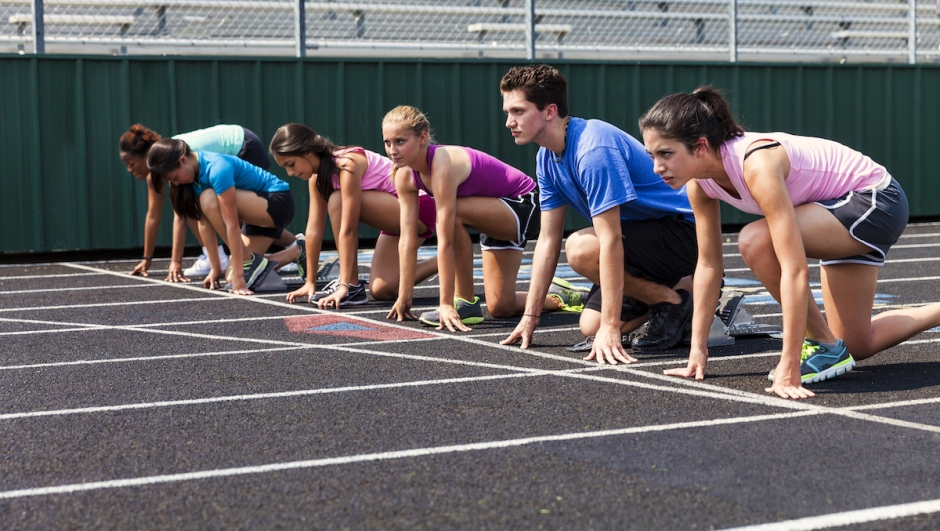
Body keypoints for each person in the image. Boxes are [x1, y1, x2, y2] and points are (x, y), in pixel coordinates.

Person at [639, 86, 940, 400]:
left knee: (756, 241)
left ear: (700, 147)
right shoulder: (700, 185)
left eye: (666, 154)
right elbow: (708, 265)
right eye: (652, 155)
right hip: (832, 211)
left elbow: (794, 269)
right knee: (857, 344)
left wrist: (790, 362)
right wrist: (697, 350)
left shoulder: (756, 165)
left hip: (875, 201)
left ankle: (823, 345)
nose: (657, 167)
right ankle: (836, 343)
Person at [498, 64, 698, 363]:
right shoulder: (546, 158)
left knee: (580, 248)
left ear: (549, 111)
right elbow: (547, 240)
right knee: (588, 326)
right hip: (640, 241)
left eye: (518, 111)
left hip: (682, 234)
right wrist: (530, 316)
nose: (509, 122)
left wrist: (610, 327)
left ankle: (690, 286)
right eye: (507, 113)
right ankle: (674, 298)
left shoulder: (592, 149)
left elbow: (612, 239)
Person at [382, 105, 581, 332]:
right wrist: (404, 296)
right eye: (387, 142)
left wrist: (445, 304)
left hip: (525, 205)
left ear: (422, 138)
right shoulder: (404, 175)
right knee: (501, 306)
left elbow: (446, 240)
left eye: (400, 141)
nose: (392, 150)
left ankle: (464, 302)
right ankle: (559, 296)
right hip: (494, 215)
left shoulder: (441, 163)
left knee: (451, 212)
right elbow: (407, 239)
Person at [269, 123, 439, 308]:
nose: (290, 173)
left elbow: (348, 230)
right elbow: (313, 230)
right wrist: (310, 282)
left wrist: (344, 284)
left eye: (291, 164)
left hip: (419, 208)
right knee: (382, 290)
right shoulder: (316, 179)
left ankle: (352, 286)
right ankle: (449, 259)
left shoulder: (347, 164)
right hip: (395, 217)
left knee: (336, 200)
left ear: (308, 152)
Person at [119, 124, 296, 281]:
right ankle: (297, 250)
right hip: (259, 206)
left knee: (209, 199)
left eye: (174, 178)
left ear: (183, 160)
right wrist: (216, 268)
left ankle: (245, 259)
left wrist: (240, 277)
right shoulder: (190, 173)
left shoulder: (214, 169)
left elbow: (231, 223)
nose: (175, 184)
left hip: (277, 200)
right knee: (232, 275)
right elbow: (202, 222)